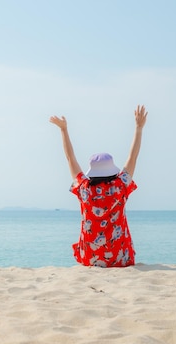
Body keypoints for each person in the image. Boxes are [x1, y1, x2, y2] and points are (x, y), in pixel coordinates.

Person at [49, 105, 148, 267]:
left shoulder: (84, 188)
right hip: (120, 257)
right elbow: (133, 156)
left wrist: (63, 130)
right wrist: (138, 128)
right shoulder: (120, 185)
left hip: (90, 257)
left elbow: (70, 158)